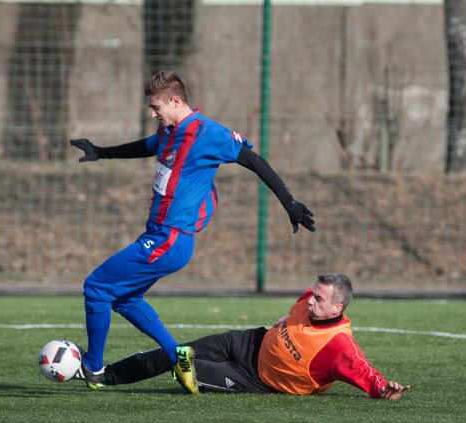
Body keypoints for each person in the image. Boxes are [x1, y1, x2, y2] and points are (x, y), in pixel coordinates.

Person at [69, 70, 315, 394]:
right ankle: (177, 355)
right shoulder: (168, 130)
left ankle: (94, 367)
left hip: (168, 239)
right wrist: (103, 151)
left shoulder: (207, 133)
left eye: (156, 107)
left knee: (97, 287)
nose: (152, 113)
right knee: (125, 298)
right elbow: (145, 147)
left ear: (175, 100)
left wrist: (290, 202)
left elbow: (255, 161)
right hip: (163, 238)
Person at [75, 273, 411, 400]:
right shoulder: (310, 297)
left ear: (338, 307)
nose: (310, 299)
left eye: (319, 299)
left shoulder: (340, 346)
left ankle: (194, 377)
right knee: (175, 350)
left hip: (255, 377)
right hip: (249, 341)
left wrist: (385, 389)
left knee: (183, 366)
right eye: (313, 293)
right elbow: (297, 310)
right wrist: (283, 322)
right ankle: (105, 376)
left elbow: (368, 377)